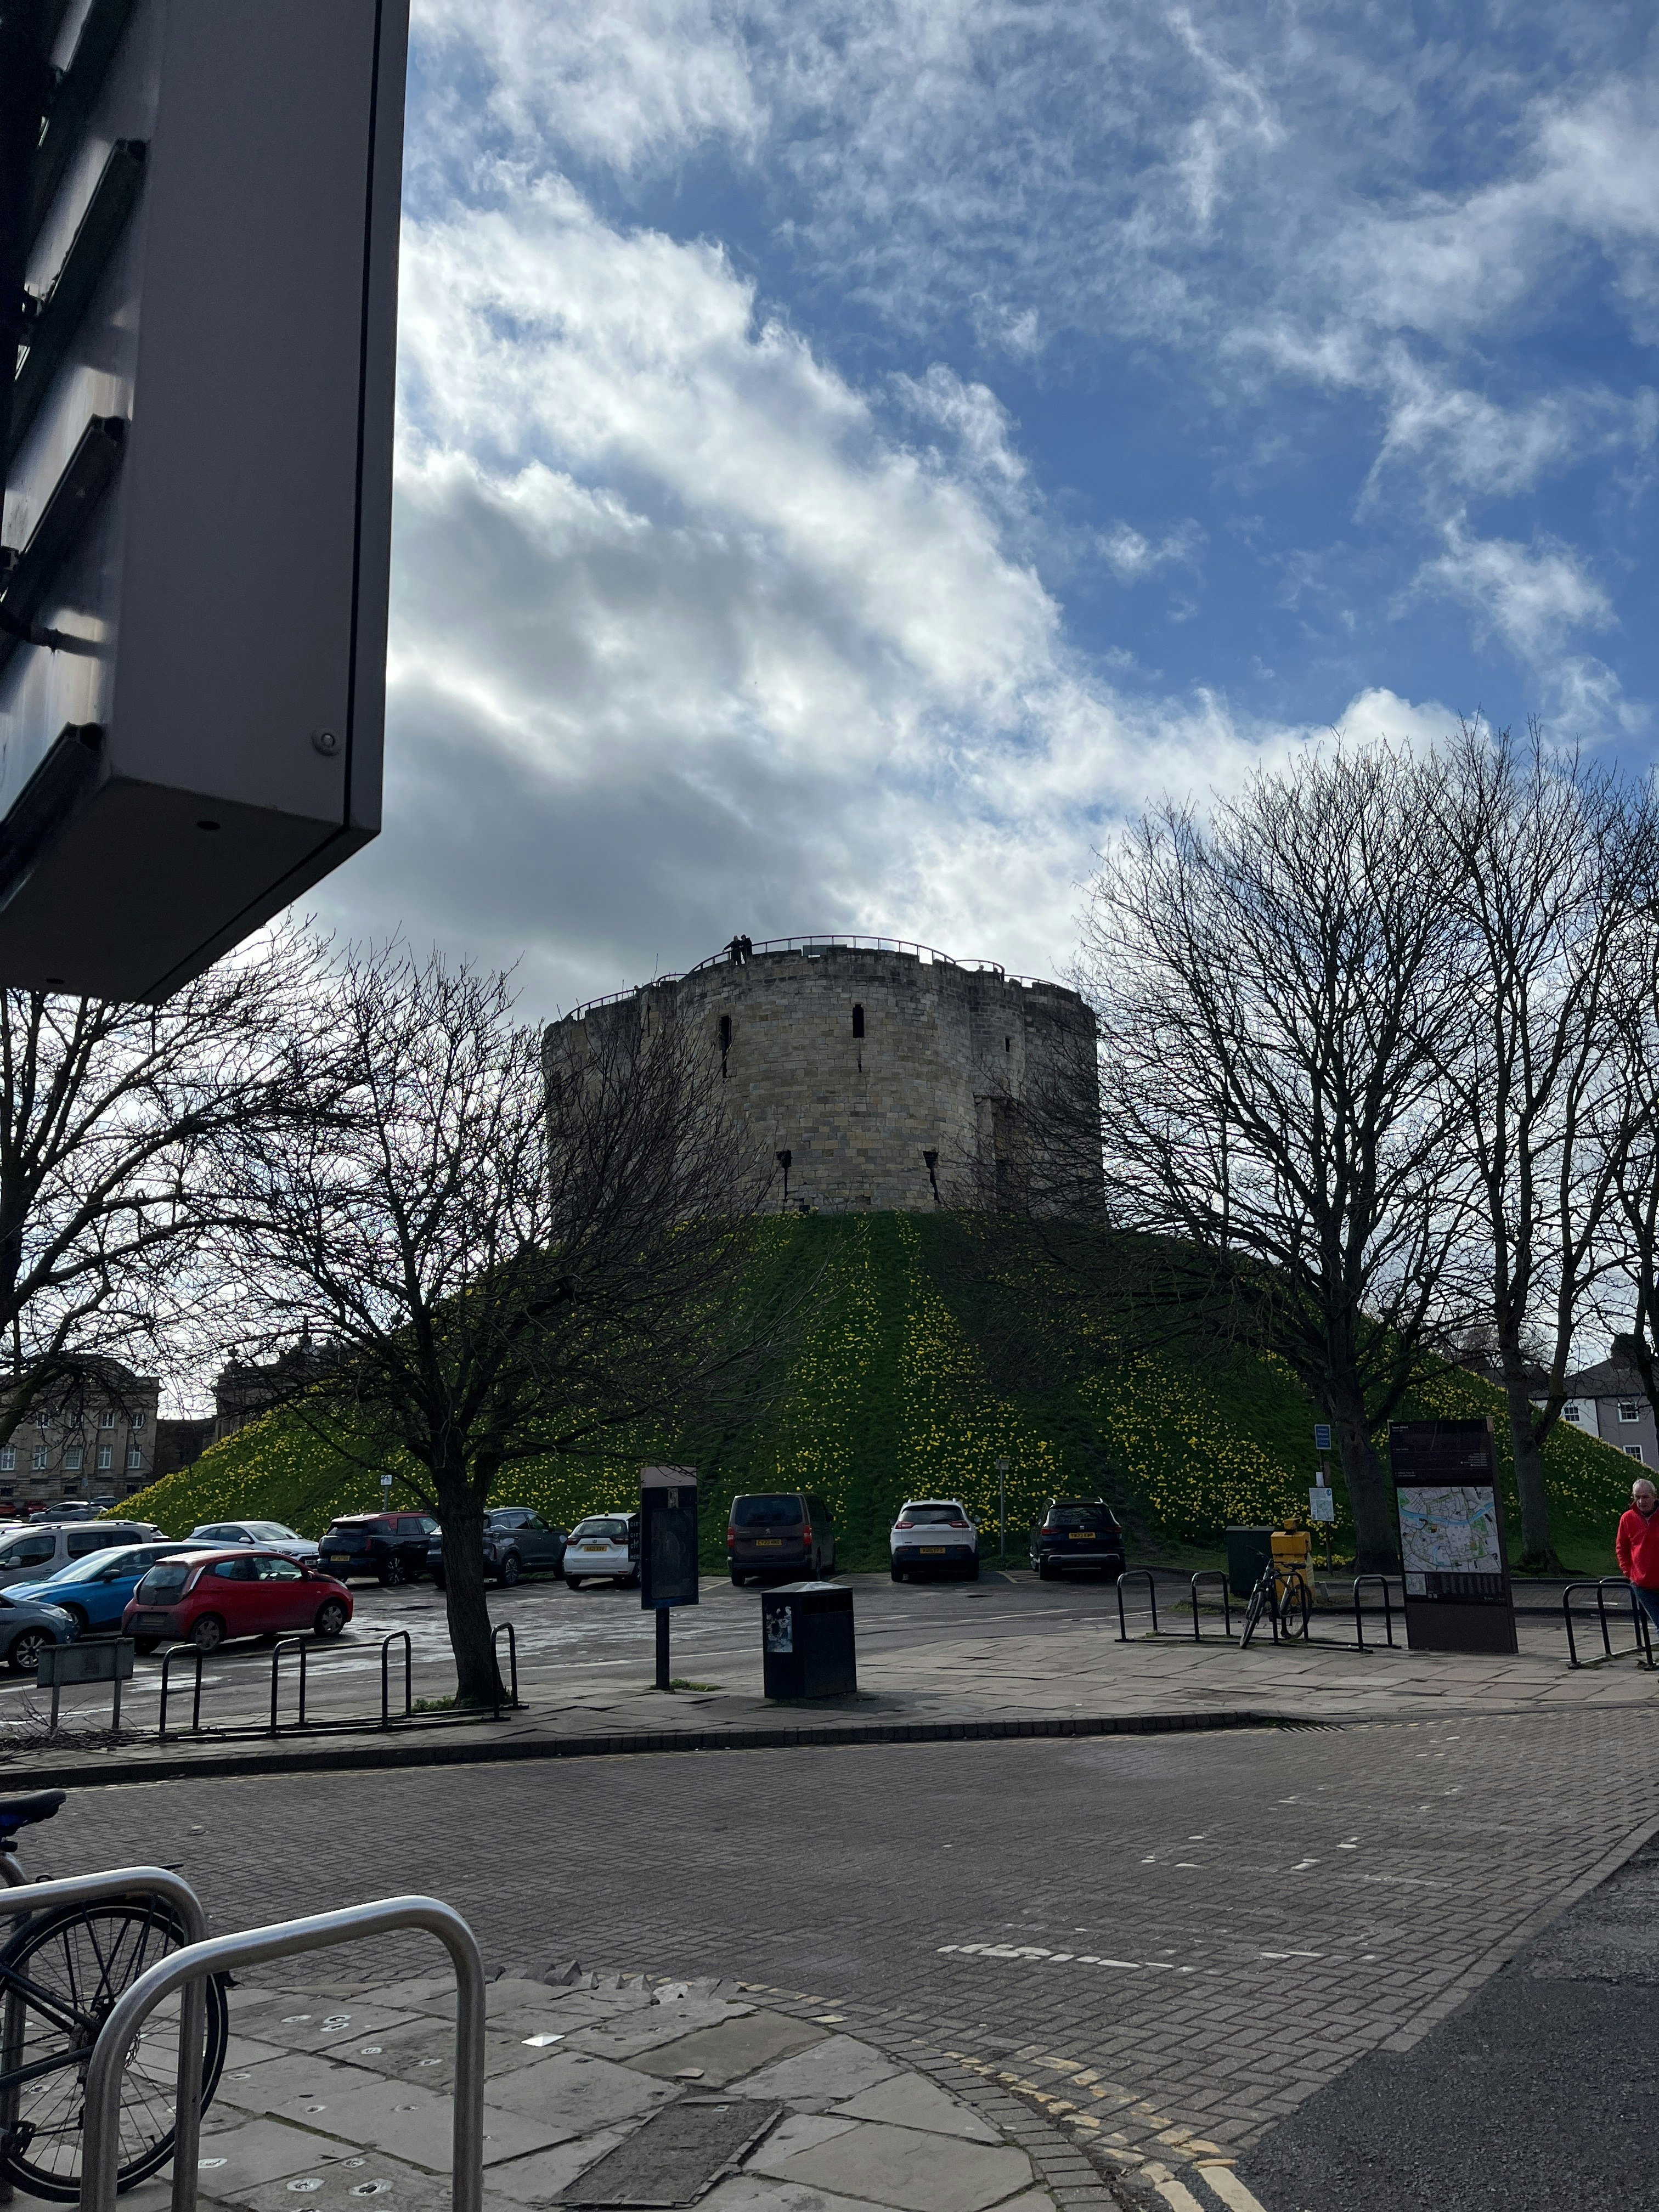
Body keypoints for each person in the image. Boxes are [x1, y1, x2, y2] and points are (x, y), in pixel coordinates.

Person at [1616, 1477, 1659, 1640]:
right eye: (1637, 1497)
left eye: (1645, 1497)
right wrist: (1630, 1573)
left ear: (1654, 1496)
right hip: (1643, 1585)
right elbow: (1622, 1548)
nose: (1641, 1502)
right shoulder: (1628, 1518)